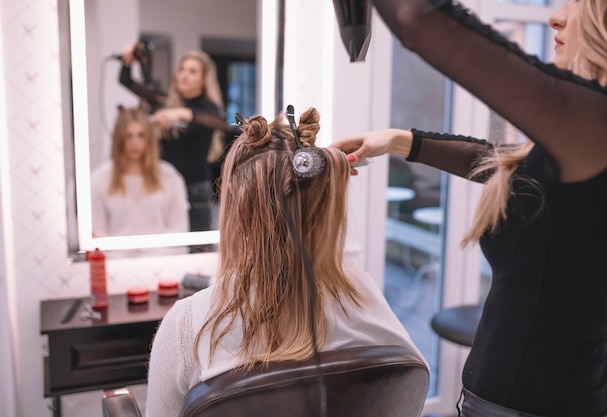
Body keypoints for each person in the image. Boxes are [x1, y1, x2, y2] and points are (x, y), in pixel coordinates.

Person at [332, 0, 607, 416]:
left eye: (579, 3)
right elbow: (510, 166)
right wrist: (398, 141)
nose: (556, 16)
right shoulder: (606, 136)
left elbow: (419, 17)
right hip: (590, 391)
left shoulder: (603, 124)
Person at [144, 107, 425, 417]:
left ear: (236, 206)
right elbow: (408, 392)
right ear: (326, 205)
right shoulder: (364, 295)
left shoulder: (189, 325)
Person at [119, 43, 232, 232]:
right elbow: (126, 81)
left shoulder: (210, 111)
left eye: (192, 71)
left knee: (197, 250)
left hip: (194, 191)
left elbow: (222, 124)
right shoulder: (163, 102)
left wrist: (181, 114)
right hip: (163, 186)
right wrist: (127, 62)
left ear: (205, 79)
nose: (184, 75)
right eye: (181, 69)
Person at [90, 106, 189, 255]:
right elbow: (97, 232)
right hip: (116, 265)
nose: (134, 142)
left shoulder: (170, 177)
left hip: (161, 260)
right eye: (128, 136)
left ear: (149, 138)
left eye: (141, 135)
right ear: (119, 139)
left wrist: (151, 252)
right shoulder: (100, 179)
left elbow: (179, 229)